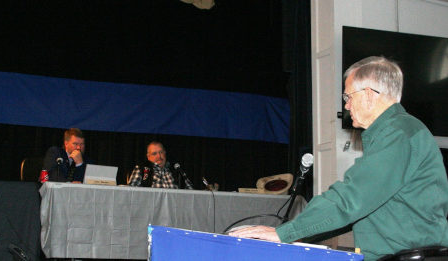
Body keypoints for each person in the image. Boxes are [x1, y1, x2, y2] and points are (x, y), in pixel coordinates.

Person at [229, 56, 448, 260]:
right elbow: (363, 206)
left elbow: (353, 197)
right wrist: (299, 235)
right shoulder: (398, 131)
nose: (346, 105)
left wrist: (286, 233)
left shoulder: (399, 133)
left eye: (348, 96)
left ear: (370, 94)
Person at [128, 141, 192, 189]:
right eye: (154, 153)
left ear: (165, 153)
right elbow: (132, 192)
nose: (159, 156)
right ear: (148, 157)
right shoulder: (141, 169)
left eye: (161, 152)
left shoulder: (176, 169)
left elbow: (191, 192)